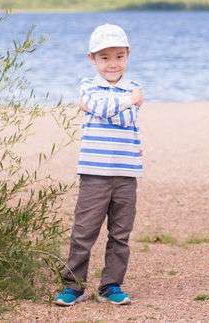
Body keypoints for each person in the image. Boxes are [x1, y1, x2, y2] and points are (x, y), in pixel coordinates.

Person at [53, 23, 144, 306]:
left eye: (118, 56)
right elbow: (106, 108)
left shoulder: (134, 87)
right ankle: (73, 286)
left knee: (120, 234)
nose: (112, 64)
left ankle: (111, 286)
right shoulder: (88, 85)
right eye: (104, 58)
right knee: (84, 232)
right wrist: (123, 103)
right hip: (94, 173)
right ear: (92, 59)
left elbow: (122, 118)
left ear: (127, 55)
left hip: (126, 174)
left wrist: (105, 106)